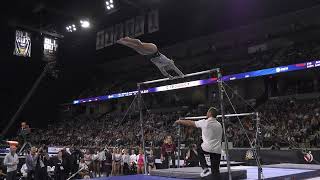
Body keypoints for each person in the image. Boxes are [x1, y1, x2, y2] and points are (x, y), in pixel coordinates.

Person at [175, 107, 222, 178]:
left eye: (207, 112)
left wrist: (180, 121)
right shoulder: (219, 125)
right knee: (215, 171)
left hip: (207, 148)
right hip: (217, 150)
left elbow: (190, 123)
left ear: (209, 113)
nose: (206, 113)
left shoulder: (205, 122)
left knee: (199, 149)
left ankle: (205, 168)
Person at [117, 37, 184, 79]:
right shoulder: (169, 63)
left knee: (135, 47)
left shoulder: (161, 66)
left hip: (147, 54)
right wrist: (181, 75)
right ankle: (129, 39)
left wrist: (169, 76)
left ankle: (124, 42)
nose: (172, 64)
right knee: (140, 44)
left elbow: (164, 73)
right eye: (172, 62)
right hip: (154, 50)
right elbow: (175, 69)